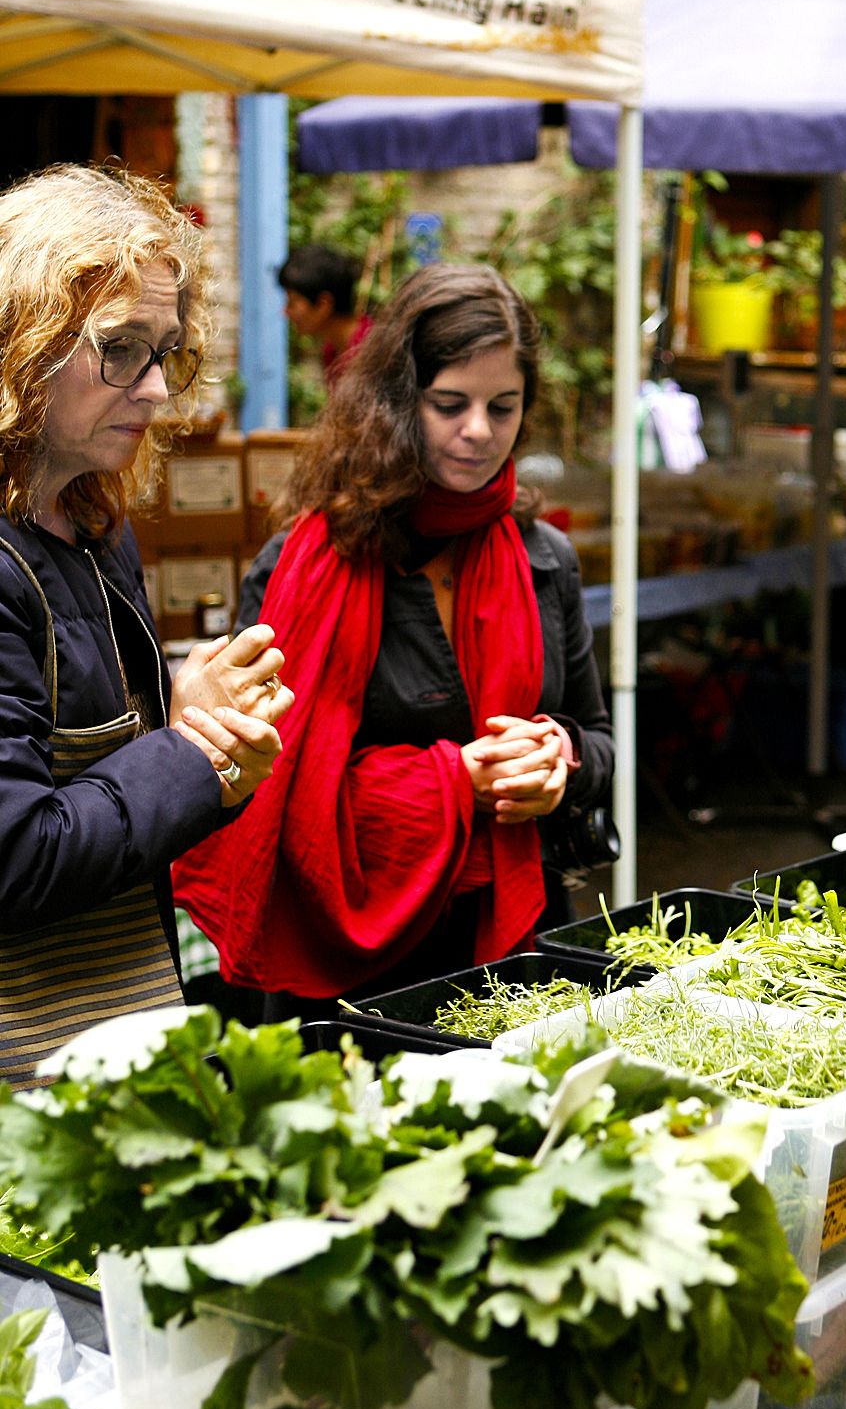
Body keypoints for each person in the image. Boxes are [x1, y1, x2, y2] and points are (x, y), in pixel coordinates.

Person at [174, 263, 613, 1010]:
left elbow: (597, 737)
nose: (479, 431)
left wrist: (558, 761)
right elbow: (258, 785)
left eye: (502, 407)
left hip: (515, 951)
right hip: (347, 974)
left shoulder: (542, 558)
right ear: (397, 404)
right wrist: (451, 782)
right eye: (451, 404)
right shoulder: (307, 566)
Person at [0, 164, 290, 1084]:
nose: (157, 389)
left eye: (165, 351)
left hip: (104, 1036)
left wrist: (183, 719)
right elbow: (15, 862)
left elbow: (80, 770)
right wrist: (190, 747)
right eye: (120, 348)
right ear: (21, 341)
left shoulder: (90, 524)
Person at [278, 243, 371, 381]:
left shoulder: (371, 352)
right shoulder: (332, 351)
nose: (285, 312)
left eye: (292, 302)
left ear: (323, 304)